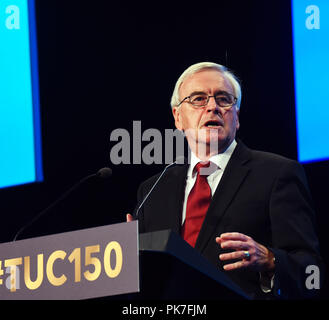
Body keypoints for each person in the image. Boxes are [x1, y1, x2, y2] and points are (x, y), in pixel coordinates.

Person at [126, 62, 323, 299]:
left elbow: (312, 271)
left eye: (224, 99)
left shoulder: (277, 174)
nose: (213, 107)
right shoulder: (153, 190)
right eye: (198, 99)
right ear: (178, 117)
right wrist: (130, 257)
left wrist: (270, 261)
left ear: (236, 117)